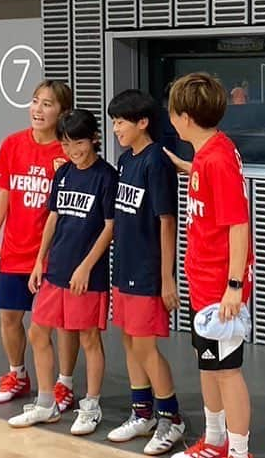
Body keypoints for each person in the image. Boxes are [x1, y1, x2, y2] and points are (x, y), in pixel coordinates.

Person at [8, 109, 117, 436]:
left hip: (87, 275)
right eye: (67, 145)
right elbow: (53, 218)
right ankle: (45, 404)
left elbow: (110, 227)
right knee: (38, 332)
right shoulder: (64, 173)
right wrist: (40, 260)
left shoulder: (106, 176)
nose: (72, 151)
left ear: (94, 139)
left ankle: (91, 405)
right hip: (55, 270)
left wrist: (86, 266)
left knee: (88, 338)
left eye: (79, 143)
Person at [164, 72, 254, 458]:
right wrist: (185, 166)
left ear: (184, 117)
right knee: (209, 365)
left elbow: (238, 223)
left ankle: (237, 451)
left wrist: (233, 287)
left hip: (221, 288)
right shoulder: (207, 154)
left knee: (228, 371)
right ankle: (214, 441)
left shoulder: (217, 160)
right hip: (201, 283)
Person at [0, 80, 80, 411]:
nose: (38, 109)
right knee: (10, 317)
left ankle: (63, 383)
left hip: (53, 255)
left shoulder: (68, 153)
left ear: (62, 112)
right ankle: (17, 374)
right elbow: (3, 195)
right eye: (35, 101)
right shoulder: (12, 144)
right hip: (15, 251)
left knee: (58, 324)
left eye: (47, 104)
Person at [105, 89, 185, 455]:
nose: (116, 128)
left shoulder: (157, 163)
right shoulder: (125, 161)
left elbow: (167, 222)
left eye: (121, 122)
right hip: (123, 265)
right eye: (114, 122)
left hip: (148, 269)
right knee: (128, 339)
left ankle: (171, 417)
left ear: (142, 122)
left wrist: (167, 277)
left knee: (145, 345)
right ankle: (143, 413)